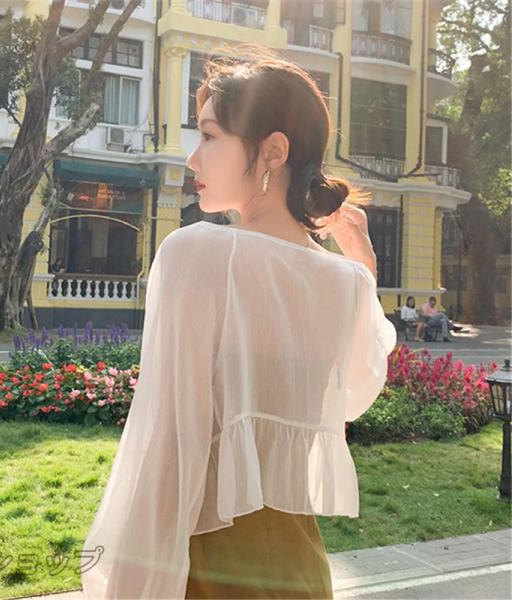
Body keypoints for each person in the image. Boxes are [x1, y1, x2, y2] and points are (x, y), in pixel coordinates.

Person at [81, 43, 397, 599]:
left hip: (202, 565)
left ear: (273, 150)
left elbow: (166, 443)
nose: (192, 159)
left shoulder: (198, 254)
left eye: (209, 136)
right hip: (300, 572)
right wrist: (363, 267)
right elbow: (350, 399)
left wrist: (132, 583)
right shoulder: (346, 282)